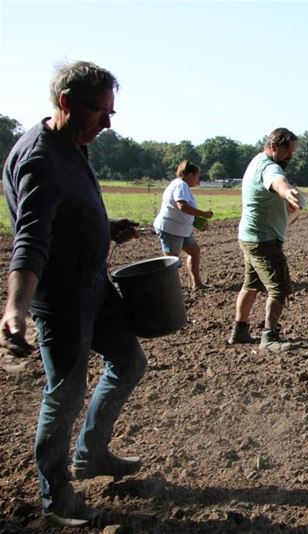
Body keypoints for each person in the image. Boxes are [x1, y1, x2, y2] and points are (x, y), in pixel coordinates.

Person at [0, 61, 146, 528]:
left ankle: (91, 453)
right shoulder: (40, 158)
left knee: (129, 360)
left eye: (111, 113)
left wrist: (104, 229)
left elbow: (65, 215)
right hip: (62, 298)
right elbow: (31, 240)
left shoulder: (72, 144)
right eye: (101, 112)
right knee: (64, 392)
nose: (107, 123)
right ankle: (57, 497)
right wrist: (15, 309)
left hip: (93, 284)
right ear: (66, 103)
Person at [227, 128, 302, 352]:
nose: (290, 156)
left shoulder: (257, 161)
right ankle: (269, 338)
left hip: (251, 237)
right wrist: (288, 192)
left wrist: (288, 206)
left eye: (293, 152)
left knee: (251, 285)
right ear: (273, 146)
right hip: (263, 240)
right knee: (279, 288)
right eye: (287, 151)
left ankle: (239, 332)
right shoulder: (270, 167)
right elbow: (277, 182)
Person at [153, 160, 214, 290]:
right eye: (197, 176)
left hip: (180, 229)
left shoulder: (179, 185)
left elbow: (182, 210)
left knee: (194, 251)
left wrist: (198, 222)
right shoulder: (181, 185)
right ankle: (170, 290)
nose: (198, 180)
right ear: (190, 175)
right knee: (171, 261)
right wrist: (203, 214)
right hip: (171, 229)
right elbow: (182, 206)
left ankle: (197, 284)